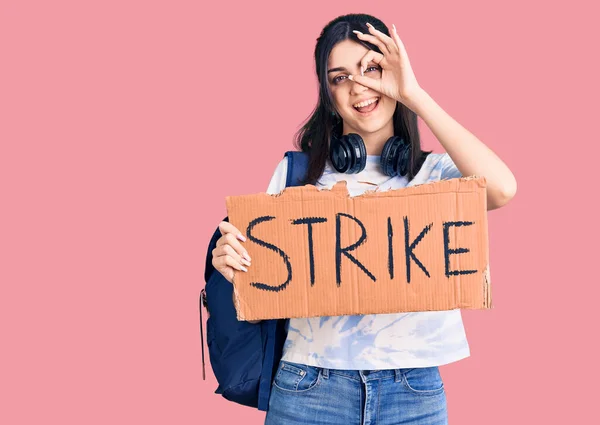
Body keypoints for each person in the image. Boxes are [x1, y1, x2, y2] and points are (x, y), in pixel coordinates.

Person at [211, 13, 516, 425]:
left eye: (371, 68)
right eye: (339, 77)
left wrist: (415, 94)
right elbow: (262, 279)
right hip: (309, 387)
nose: (358, 87)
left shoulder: (437, 176)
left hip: (413, 390)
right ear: (329, 95)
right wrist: (233, 265)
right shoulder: (297, 176)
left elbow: (501, 188)